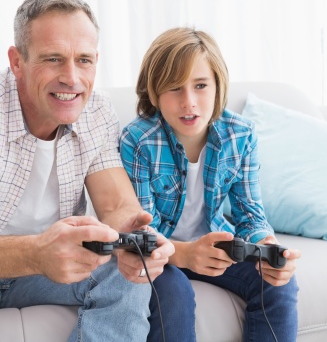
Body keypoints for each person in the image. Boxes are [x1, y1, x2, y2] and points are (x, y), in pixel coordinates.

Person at [0, 0, 182, 342]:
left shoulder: (97, 111)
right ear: (17, 61)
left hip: (52, 263)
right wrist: (36, 254)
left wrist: (138, 241)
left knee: (128, 277)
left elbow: (118, 206)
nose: (72, 78)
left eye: (84, 60)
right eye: (53, 59)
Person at [120, 27, 302, 342]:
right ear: (154, 93)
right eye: (174, 88)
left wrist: (269, 247)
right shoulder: (138, 141)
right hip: (162, 255)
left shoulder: (240, 134)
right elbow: (138, 234)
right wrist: (184, 253)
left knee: (278, 282)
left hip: (215, 247)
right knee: (174, 294)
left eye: (201, 85)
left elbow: (249, 213)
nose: (189, 102)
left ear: (218, 86)